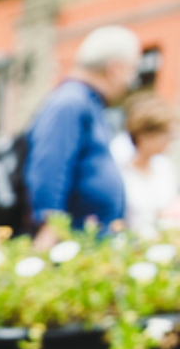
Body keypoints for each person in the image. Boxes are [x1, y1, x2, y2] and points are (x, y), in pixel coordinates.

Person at [24, 25, 142, 241]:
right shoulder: (71, 101)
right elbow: (50, 166)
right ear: (115, 69)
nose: (132, 81)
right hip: (71, 243)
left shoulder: (90, 103)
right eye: (132, 69)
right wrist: (49, 229)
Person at [117, 93, 178, 233]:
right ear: (144, 136)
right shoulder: (120, 168)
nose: (169, 143)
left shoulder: (164, 167)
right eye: (166, 137)